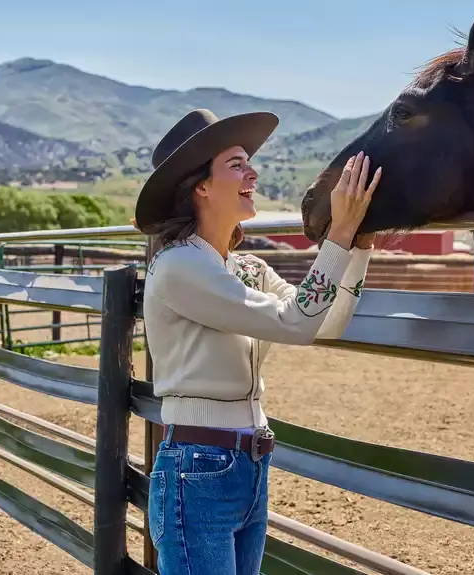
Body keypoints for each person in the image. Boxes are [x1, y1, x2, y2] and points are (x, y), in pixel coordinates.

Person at [134, 108, 382, 575]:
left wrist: (360, 245)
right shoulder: (179, 267)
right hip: (199, 467)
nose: (254, 172)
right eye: (236, 164)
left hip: (248, 463)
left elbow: (323, 323)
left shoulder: (247, 269)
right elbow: (297, 323)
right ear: (200, 187)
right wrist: (341, 232)